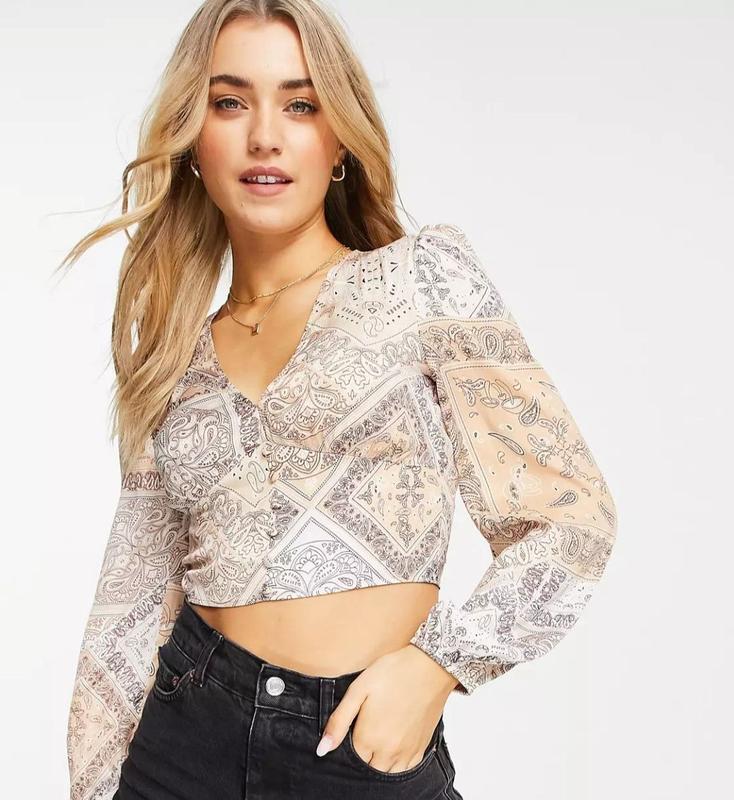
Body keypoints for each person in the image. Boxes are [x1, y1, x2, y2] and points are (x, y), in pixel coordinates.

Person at [62, 2, 618, 798]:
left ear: (340, 142)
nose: (264, 136)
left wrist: (438, 665)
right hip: (181, 745)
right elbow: (131, 603)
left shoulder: (421, 280)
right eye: (230, 102)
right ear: (193, 141)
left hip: (356, 750)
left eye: (300, 104)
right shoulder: (174, 359)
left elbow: (571, 517)